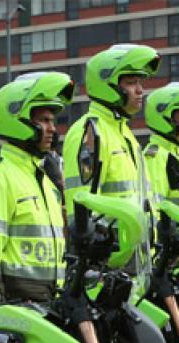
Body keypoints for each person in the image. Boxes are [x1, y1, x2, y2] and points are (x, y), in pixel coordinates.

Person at [0, 72, 72, 303]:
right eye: (44, 120)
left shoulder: (44, 181)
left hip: (49, 301)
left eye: (52, 121)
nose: (52, 128)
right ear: (16, 118)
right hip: (17, 304)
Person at [63, 44, 160, 224]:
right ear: (108, 84)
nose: (140, 90)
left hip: (140, 250)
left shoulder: (125, 133)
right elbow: (84, 212)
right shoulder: (89, 131)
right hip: (114, 251)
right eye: (131, 83)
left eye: (140, 82)